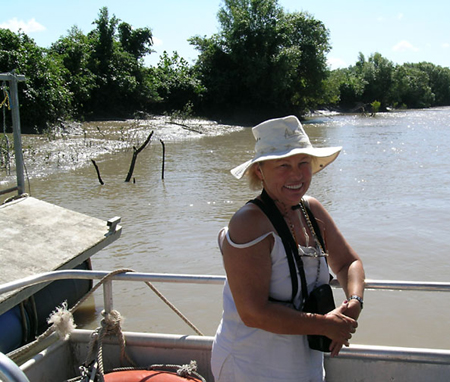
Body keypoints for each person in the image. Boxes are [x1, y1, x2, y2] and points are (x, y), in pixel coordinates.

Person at [211, 115, 365, 382]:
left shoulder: (311, 210)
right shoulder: (249, 223)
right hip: (250, 366)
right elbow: (252, 313)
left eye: (303, 163)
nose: (296, 174)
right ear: (260, 171)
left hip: (303, 363)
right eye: (283, 165)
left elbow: (347, 263)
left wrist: (354, 302)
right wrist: (327, 325)